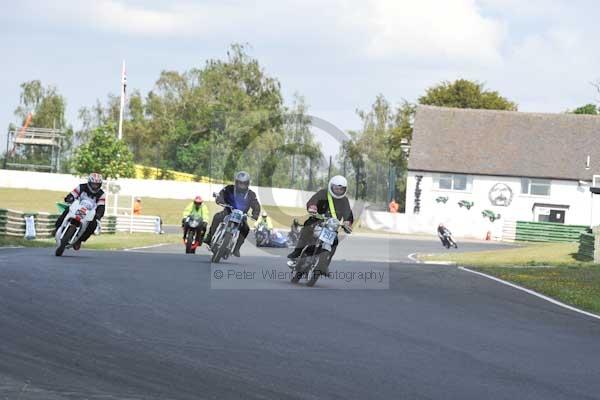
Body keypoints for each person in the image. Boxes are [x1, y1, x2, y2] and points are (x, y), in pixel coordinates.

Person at [287, 175, 353, 261]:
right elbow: (313, 201)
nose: (338, 191)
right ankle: (297, 251)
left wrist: (347, 222)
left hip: (332, 226)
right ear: (331, 186)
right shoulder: (323, 193)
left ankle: (325, 265)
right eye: (336, 188)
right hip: (317, 220)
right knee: (307, 227)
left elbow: (348, 214)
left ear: (345, 189)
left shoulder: (344, 200)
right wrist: (312, 207)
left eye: (341, 189)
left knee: (335, 242)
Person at [204, 171, 260, 257]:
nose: (242, 185)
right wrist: (219, 200)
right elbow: (221, 194)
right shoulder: (229, 188)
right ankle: (209, 237)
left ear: (248, 183)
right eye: (240, 183)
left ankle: (236, 248)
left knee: (246, 228)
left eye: (244, 183)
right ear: (236, 182)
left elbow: (256, 204)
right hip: (228, 211)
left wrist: (255, 214)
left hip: (242, 215)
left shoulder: (251, 194)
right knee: (217, 217)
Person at [54, 173, 106, 250]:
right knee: (67, 210)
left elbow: (101, 206)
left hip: (90, 212)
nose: (95, 186)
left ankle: (80, 240)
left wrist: (99, 214)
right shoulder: (81, 187)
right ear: (89, 183)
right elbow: (72, 194)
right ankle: (57, 228)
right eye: (93, 184)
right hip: (77, 207)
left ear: (100, 185)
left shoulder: (102, 194)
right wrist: (69, 198)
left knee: (93, 224)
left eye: (97, 184)